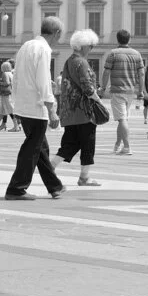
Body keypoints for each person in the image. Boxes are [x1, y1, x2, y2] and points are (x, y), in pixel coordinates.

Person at [6, 17, 65, 200]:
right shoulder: (44, 49)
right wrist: (52, 109)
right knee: (32, 148)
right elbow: (43, 81)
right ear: (57, 33)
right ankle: (16, 188)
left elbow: (16, 77)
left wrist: (16, 103)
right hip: (36, 107)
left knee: (40, 148)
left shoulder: (26, 46)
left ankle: (54, 186)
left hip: (24, 105)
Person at [53, 28, 104, 187]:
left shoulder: (69, 60)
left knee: (70, 143)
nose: (91, 49)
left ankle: (50, 167)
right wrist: (98, 100)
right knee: (88, 144)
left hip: (70, 111)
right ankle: (84, 177)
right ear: (83, 46)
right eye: (91, 46)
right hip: (84, 111)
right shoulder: (81, 62)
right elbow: (87, 87)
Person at [102, 29, 145, 155]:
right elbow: (141, 74)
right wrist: (141, 91)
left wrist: (103, 88)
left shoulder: (113, 54)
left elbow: (106, 72)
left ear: (117, 39)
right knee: (123, 119)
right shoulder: (136, 54)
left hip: (117, 90)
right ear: (129, 39)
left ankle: (127, 147)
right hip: (130, 91)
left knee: (122, 120)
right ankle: (117, 144)